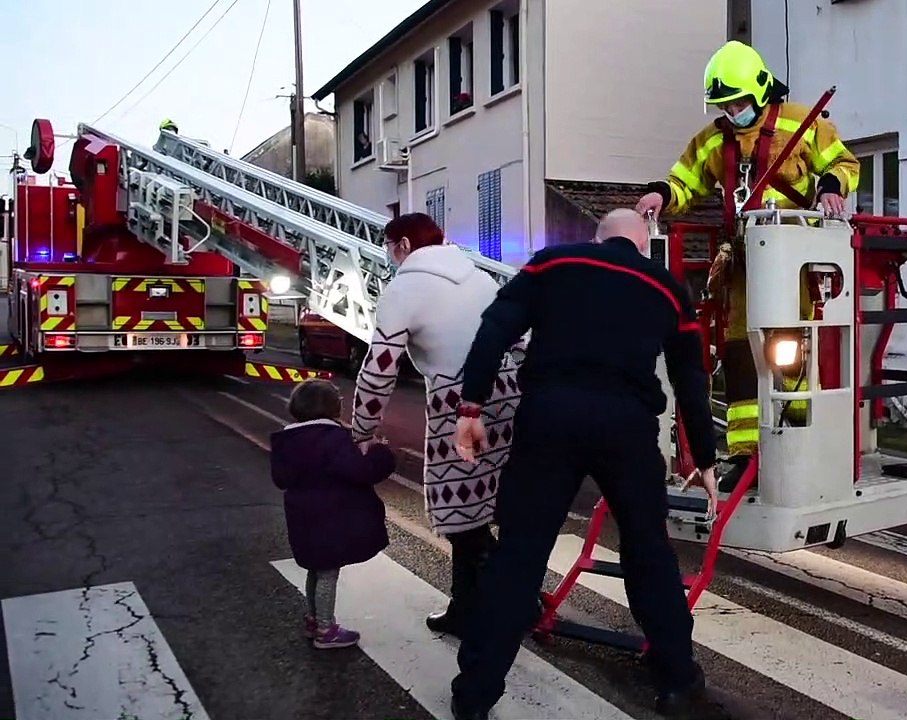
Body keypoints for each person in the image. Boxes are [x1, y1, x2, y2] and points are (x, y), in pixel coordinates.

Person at [447, 209, 720, 719]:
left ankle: (475, 694)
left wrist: (471, 406)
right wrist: (704, 455)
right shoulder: (666, 288)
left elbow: (494, 329)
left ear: (597, 238)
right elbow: (691, 377)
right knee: (649, 556)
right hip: (628, 427)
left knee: (519, 559)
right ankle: (678, 683)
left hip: (549, 416)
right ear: (644, 244)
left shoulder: (552, 264)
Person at [635, 39, 861, 492]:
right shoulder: (712, 141)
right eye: (723, 103)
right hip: (743, 261)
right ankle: (745, 455)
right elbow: (685, 181)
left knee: (791, 346)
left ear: (759, 92)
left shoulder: (801, 122)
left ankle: (798, 443)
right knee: (740, 351)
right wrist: (661, 193)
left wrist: (832, 188)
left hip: (792, 259)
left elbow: (843, 163)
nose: (730, 109)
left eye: (736, 101)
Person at [349, 212, 524, 636]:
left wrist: (362, 428)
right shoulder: (478, 276)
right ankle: (495, 596)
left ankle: (488, 603)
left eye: (390, 247)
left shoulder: (404, 288)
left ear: (404, 245)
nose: (390, 256)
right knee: (493, 506)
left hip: (456, 403)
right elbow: (518, 338)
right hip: (509, 395)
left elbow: (379, 368)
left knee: (460, 513)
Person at [270, 378, 397, 649]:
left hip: (302, 517)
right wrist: (380, 452)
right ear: (331, 408)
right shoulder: (332, 439)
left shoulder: (286, 439)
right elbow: (361, 472)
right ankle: (326, 630)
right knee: (328, 573)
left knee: (315, 570)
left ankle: (314, 619)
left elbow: (281, 478)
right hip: (330, 520)